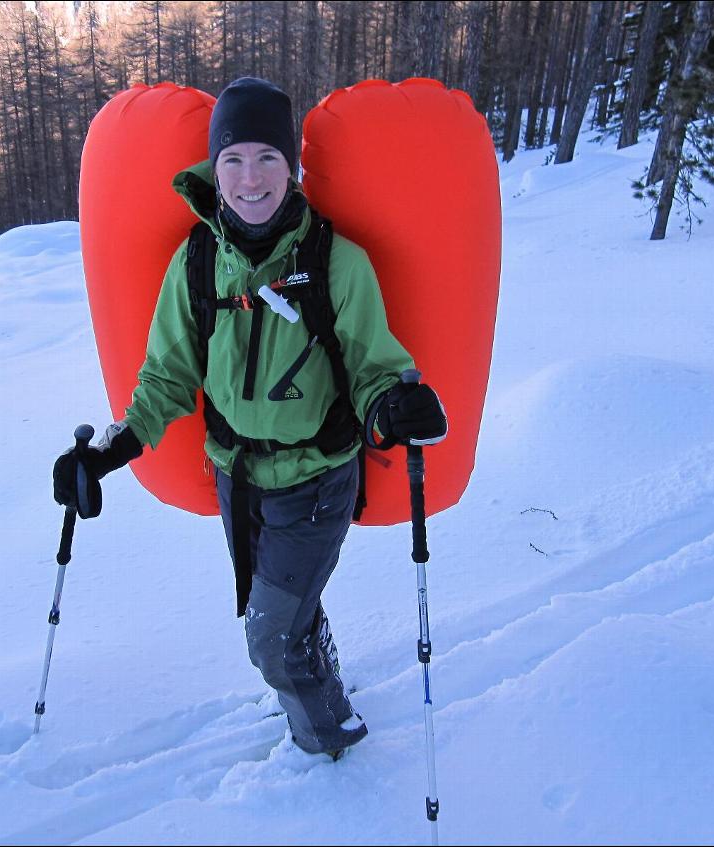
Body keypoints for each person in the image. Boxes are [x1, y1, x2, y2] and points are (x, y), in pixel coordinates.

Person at [53, 77, 447, 760]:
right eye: (233, 160)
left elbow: (374, 367)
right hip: (238, 480)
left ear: (292, 167)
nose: (250, 178)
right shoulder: (199, 263)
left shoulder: (335, 264)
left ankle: (329, 739)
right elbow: (166, 377)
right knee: (281, 612)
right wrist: (106, 452)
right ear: (215, 167)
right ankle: (310, 646)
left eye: (268, 158)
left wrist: (394, 407)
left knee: (268, 635)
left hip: (318, 481)